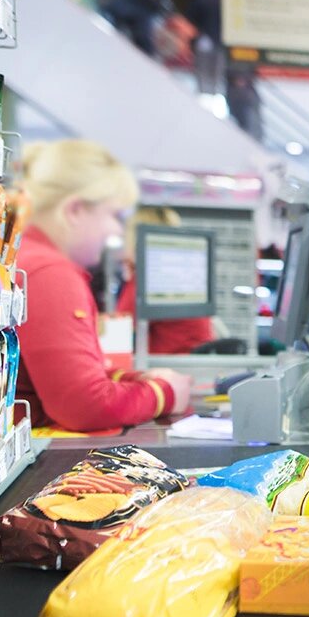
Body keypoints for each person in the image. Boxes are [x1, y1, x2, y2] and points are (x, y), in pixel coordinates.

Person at [15, 140, 192, 432]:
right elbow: (85, 405)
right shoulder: (50, 274)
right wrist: (165, 394)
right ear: (74, 210)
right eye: (113, 216)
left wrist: (139, 381)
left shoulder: (29, 258)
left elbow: (73, 377)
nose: (116, 231)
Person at [115, 206, 216, 355]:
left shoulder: (148, 280)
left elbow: (118, 332)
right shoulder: (183, 276)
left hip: (169, 368)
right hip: (191, 366)